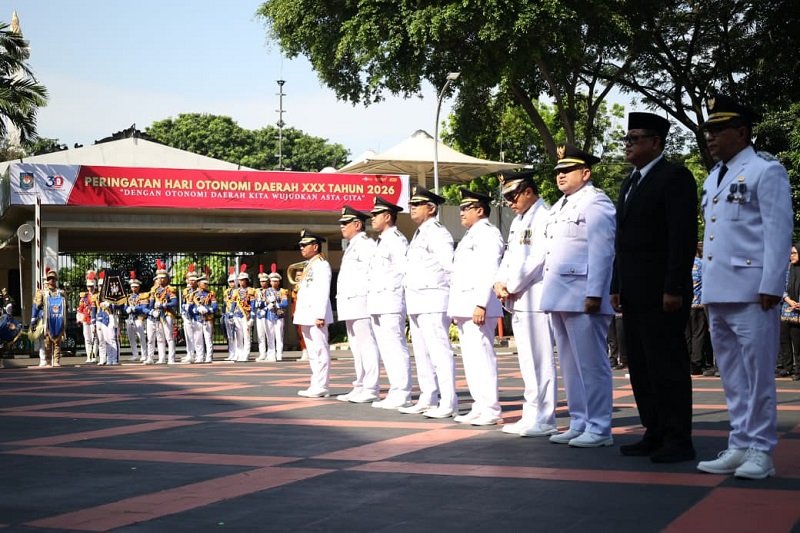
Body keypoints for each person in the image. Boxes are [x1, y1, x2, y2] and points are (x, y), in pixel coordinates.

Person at [695, 93, 793, 480]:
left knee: (758, 375)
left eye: (719, 131)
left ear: (742, 132)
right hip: (719, 290)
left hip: (753, 289)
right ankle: (739, 443)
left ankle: (761, 451)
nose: (711, 138)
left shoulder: (765, 171)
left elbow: (778, 231)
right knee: (732, 374)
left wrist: (772, 283)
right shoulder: (712, 176)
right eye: (709, 131)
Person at [611, 112, 699, 463]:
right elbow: (622, 241)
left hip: (662, 292)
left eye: (634, 139)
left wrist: (674, 286)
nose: (628, 145)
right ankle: (654, 429)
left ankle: (678, 438)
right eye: (627, 139)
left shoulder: (674, 177)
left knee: (667, 365)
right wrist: (616, 283)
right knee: (642, 366)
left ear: (655, 142)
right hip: (633, 290)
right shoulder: (630, 182)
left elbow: (681, 236)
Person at [521, 144, 616, 447]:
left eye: (567, 170)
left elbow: (603, 251)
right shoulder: (560, 206)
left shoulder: (596, 203)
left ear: (585, 173)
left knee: (591, 364)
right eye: (558, 171)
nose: (560, 176)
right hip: (559, 294)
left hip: (583, 294)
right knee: (571, 365)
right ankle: (579, 420)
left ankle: (600, 427)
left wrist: (595, 293)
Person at [493, 171, 558, 437]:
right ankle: (531, 413)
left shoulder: (544, 216)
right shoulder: (518, 221)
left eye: (512, 195)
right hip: (519, 299)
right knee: (527, 362)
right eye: (506, 196)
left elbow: (536, 258)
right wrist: (499, 281)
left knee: (540, 361)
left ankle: (544, 417)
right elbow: (509, 255)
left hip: (535, 296)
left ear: (528, 191)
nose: (509, 201)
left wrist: (512, 284)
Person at [449, 188, 504, 426]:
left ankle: (491, 408)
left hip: (478, 305)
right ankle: (479, 405)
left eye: (466, 208)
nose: (461, 212)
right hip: (465, 306)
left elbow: (488, 271)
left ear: (480, 210)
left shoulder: (488, 234)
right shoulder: (471, 235)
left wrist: (481, 303)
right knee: (471, 360)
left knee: (482, 357)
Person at [402, 187, 457, 418]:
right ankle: (428, 396)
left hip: (433, 299)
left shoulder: (437, 232)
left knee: (439, 352)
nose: (412, 207)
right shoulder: (419, 233)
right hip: (417, 300)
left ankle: (449, 401)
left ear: (431, 208)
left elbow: (449, 267)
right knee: (422, 353)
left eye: (417, 204)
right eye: (411, 204)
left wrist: (454, 300)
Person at [367, 196, 413, 410]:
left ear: (387, 216)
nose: (372, 218)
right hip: (378, 301)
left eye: (376, 215)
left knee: (395, 347)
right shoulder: (382, 240)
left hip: (392, 301)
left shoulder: (396, 239)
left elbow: (405, 271)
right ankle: (395, 389)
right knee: (386, 348)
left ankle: (402, 392)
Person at [336, 205, 382, 403]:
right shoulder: (352, 246)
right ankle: (360, 384)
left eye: (345, 223)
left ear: (357, 224)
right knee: (356, 346)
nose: (342, 227)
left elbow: (373, 274)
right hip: (350, 303)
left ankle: (371, 387)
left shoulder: (366, 245)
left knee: (367, 345)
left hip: (361, 301)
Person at [293, 230, 334, 397]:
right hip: (306, 314)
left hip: (316, 315)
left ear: (315, 246)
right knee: (312, 351)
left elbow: (323, 291)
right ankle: (316, 383)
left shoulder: (322, 265)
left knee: (320, 350)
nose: (301, 248)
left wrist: (320, 315)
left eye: (305, 245)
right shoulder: (309, 265)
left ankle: (322, 385)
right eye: (300, 245)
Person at [31, 268, 67, 367]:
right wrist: (33, 319)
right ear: (47, 279)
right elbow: (37, 306)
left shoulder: (61, 293)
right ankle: (47, 360)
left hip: (57, 319)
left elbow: (66, 306)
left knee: (58, 341)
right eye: (50, 278)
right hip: (46, 320)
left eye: (53, 278)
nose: (51, 280)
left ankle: (56, 360)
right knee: (47, 341)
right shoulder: (42, 292)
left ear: (56, 280)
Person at [686, 242, 713, 375]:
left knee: (687, 335)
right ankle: (696, 363)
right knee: (698, 334)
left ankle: (687, 361)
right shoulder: (702, 264)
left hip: (685, 304)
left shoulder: (683, 263)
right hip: (699, 303)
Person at [147, 259, 177, 365]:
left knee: (169, 336)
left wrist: (165, 305)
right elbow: (150, 304)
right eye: (159, 278)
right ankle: (161, 358)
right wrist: (152, 310)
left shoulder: (170, 289)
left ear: (166, 278)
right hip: (157, 315)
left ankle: (171, 358)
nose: (160, 280)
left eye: (163, 278)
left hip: (167, 314)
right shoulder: (154, 290)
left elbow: (174, 302)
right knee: (160, 337)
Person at [779, 245, 800, 381]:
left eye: (794, 253)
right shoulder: (787, 268)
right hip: (787, 308)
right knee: (784, 339)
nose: (791, 256)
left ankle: (798, 369)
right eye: (790, 253)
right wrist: (788, 299)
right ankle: (788, 367)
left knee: (797, 342)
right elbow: (780, 285)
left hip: (798, 310)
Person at [95, 271, 120, 366]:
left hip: (111, 316)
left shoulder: (113, 293)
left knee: (112, 339)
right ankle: (109, 358)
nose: (101, 287)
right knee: (106, 340)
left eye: (103, 285)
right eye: (100, 285)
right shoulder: (99, 296)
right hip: (103, 318)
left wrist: (111, 304)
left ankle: (114, 359)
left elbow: (119, 305)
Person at [192, 272, 217, 363]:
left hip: (207, 318)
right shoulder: (194, 294)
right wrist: (196, 309)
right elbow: (190, 307)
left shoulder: (210, 294)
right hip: (197, 318)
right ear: (199, 283)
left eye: (207, 283)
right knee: (198, 339)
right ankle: (199, 356)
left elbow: (215, 306)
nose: (206, 285)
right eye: (204, 283)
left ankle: (209, 356)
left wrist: (208, 309)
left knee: (208, 338)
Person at [231, 265, 255, 362]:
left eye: (243, 280)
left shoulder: (250, 290)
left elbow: (252, 303)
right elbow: (233, 303)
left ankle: (246, 353)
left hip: (246, 314)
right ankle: (239, 353)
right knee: (238, 335)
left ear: (246, 280)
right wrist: (231, 314)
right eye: (240, 280)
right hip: (237, 314)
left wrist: (252, 316)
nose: (241, 282)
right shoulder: (236, 291)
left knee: (246, 334)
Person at [125, 271, 149, 363]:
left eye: (135, 286)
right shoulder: (128, 297)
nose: (134, 288)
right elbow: (124, 306)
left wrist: (135, 308)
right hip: (130, 318)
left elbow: (143, 307)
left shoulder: (142, 296)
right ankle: (135, 354)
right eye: (132, 286)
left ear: (139, 287)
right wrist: (127, 308)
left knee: (141, 337)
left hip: (139, 318)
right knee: (131, 337)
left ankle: (144, 354)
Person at [77, 270, 98, 364]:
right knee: (87, 338)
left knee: (95, 338)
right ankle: (88, 356)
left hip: (95, 319)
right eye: (88, 286)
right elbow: (80, 308)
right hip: (86, 319)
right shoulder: (84, 296)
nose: (90, 288)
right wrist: (79, 318)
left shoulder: (97, 295)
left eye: (91, 286)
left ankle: (94, 356)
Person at [180, 264, 199, 363]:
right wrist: (183, 309)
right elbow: (183, 302)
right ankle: (190, 354)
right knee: (188, 336)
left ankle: (198, 354)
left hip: (195, 315)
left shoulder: (198, 291)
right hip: (187, 315)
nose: (191, 281)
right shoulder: (185, 291)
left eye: (193, 280)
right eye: (190, 279)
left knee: (197, 336)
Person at [254, 265, 272, 362]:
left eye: (264, 281)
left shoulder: (270, 290)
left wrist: (265, 308)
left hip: (268, 314)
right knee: (260, 335)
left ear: (268, 281)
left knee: (269, 334)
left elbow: (271, 303)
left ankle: (270, 352)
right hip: (259, 314)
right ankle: (262, 353)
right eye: (261, 281)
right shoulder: (257, 291)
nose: (262, 283)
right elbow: (255, 302)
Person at [223, 267, 237, 361]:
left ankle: (236, 352)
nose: (231, 283)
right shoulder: (226, 291)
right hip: (227, 314)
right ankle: (231, 353)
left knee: (236, 334)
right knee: (229, 335)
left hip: (236, 314)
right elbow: (225, 303)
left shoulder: (238, 291)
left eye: (233, 281)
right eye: (230, 281)